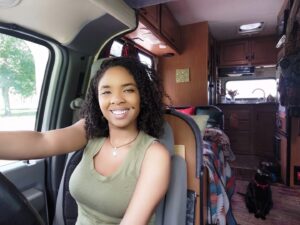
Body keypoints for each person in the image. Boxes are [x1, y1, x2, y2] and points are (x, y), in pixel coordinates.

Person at [0, 57, 171, 225]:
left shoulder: (155, 155)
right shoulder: (88, 132)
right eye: (106, 92)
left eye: (128, 90)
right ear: (97, 99)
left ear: (142, 95)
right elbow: (42, 141)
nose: (117, 99)